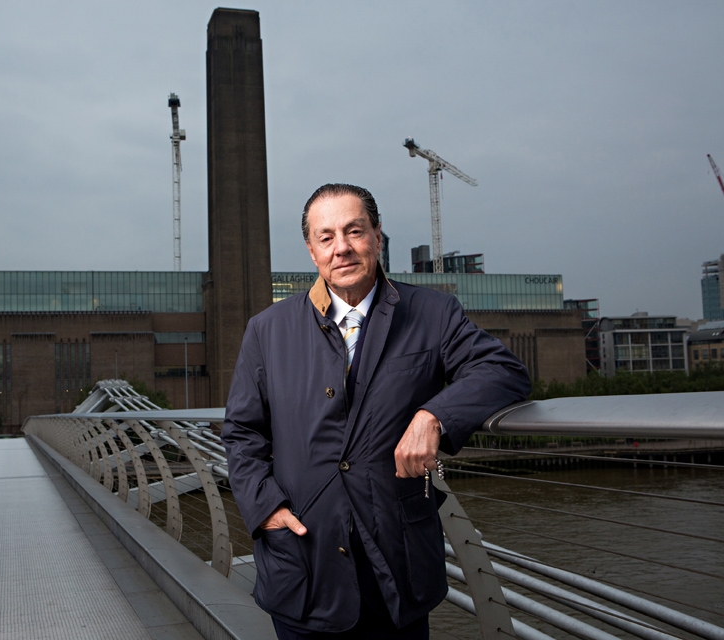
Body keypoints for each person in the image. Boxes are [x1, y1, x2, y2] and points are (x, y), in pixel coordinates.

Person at [222, 183, 532, 639]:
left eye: (354, 231)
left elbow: (503, 370)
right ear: (311, 251)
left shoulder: (432, 312)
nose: (342, 248)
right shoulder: (267, 330)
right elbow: (242, 433)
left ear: (377, 237)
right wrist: (266, 509)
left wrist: (434, 415)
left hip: (397, 560)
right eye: (326, 237)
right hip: (305, 561)